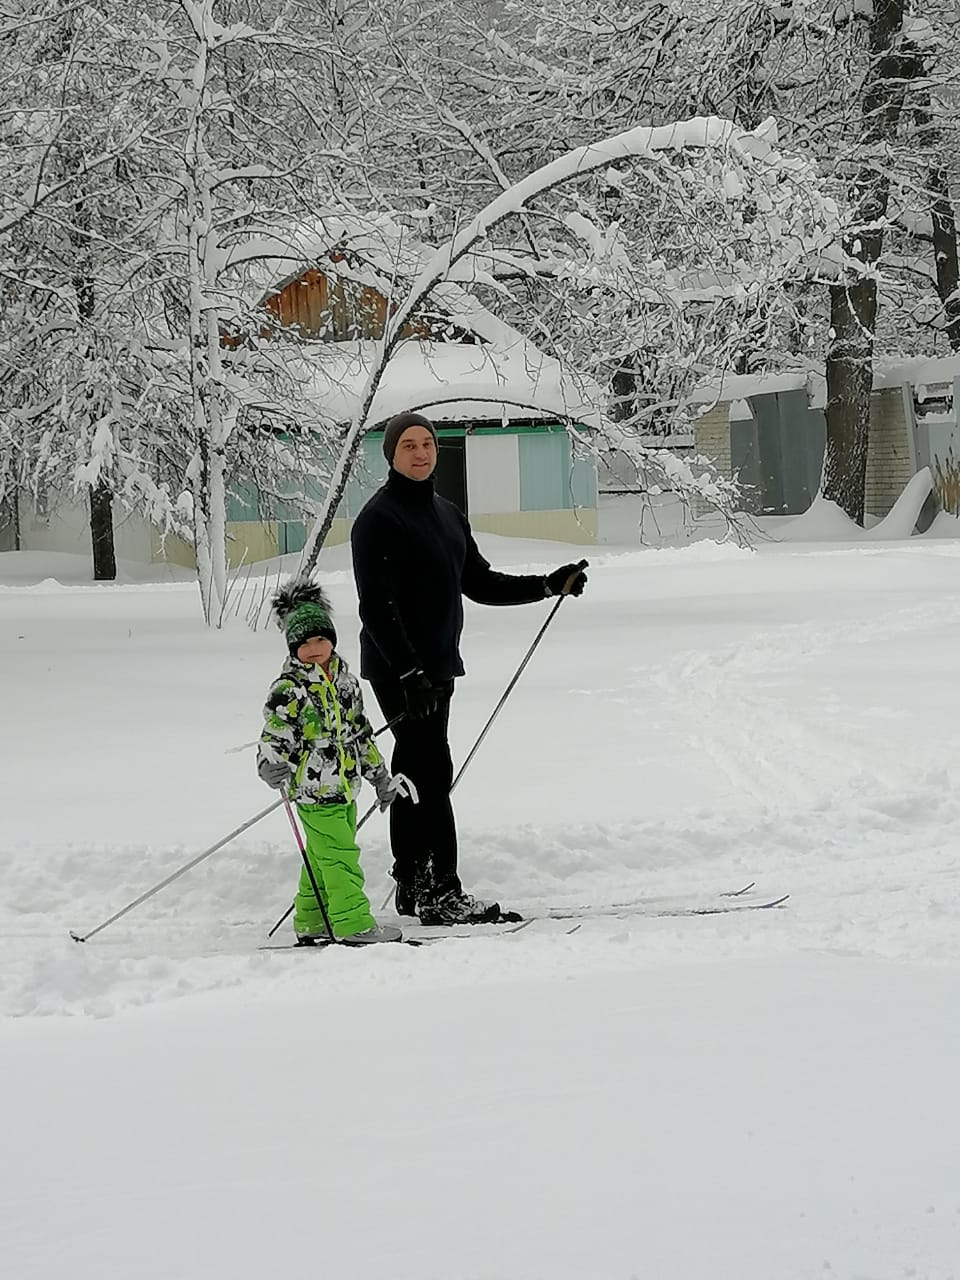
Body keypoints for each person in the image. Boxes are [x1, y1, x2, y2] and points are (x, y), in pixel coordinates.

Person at [350, 409, 588, 925]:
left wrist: (548, 583)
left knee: (416, 772)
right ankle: (441, 890)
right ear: (391, 453)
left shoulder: (446, 513)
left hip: (437, 667)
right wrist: (409, 672)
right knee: (432, 773)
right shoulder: (377, 519)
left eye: (427, 445)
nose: (419, 453)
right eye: (408, 445)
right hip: (398, 670)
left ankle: (413, 881)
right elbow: (376, 607)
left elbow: (479, 582)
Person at [256, 578, 405, 945]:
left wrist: (380, 778)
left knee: (323, 856)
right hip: (311, 789)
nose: (313, 648)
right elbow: (273, 736)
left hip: (344, 786)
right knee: (339, 857)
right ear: (293, 647)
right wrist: (267, 765)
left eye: (320, 639)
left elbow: (360, 735)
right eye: (304, 643)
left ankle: (312, 919)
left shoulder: (346, 683)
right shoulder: (288, 689)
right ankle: (353, 923)